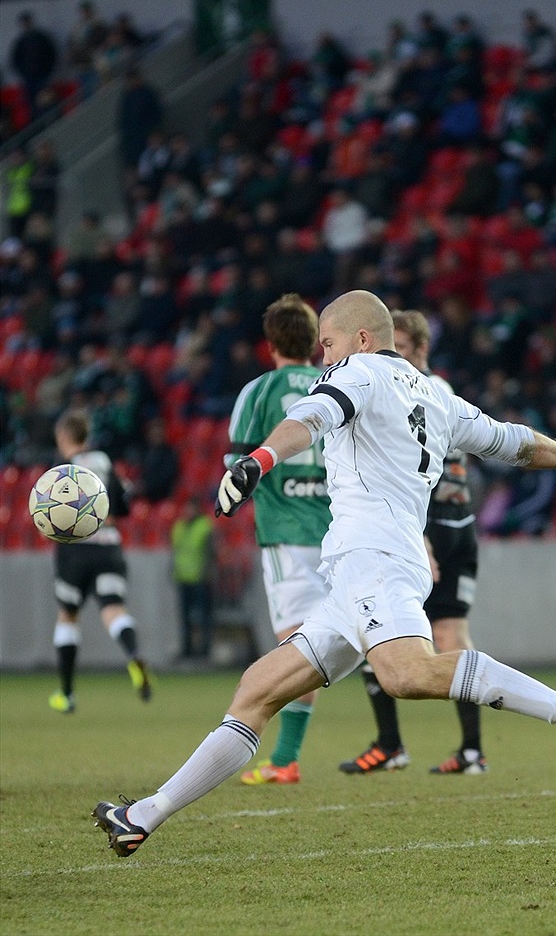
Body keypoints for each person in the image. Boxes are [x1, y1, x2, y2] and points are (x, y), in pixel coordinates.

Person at [92, 290, 556, 859]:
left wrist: (258, 460)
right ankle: (142, 817)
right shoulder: (437, 395)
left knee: (405, 675)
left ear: (359, 339)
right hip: (361, 573)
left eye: (326, 344)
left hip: (374, 560)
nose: (321, 356)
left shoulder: (358, 371)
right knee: (257, 690)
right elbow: (513, 442)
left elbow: (312, 415)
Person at [339, 309, 486, 775]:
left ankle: (391, 743)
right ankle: (470, 751)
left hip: (430, 528)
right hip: (461, 524)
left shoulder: (416, 391)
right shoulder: (446, 393)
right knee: (449, 637)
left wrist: (419, 534)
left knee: (376, 628)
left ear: (420, 349)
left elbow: (411, 474)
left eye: (399, 348)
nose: (390, 357)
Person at [226, 293, 332, 784]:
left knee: (296, 644)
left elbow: (239, 466)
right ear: (315, 341)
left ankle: (285, 758)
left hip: (287, 533)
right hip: (340, 530)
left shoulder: (259, 391)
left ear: (270, 343)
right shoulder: (336, 385)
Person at [49, 409, 152, 713]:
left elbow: (50, 512)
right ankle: (133, 653)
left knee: (68, 616)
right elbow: (123, 507)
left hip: (75, 551)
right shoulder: (105, 463)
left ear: (64, 437)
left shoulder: (62, 468)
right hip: (108, 547)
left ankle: (66, 694)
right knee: (113, 610)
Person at [171, 497, 215, 660]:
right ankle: (187, 649)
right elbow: (176, 551)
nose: (187, 512)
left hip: (201, 579)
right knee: (184, 618)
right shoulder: (179, 526)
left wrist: (209, 574)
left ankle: (204, 651)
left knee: (204, 617)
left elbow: (212, 552)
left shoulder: (205, 526)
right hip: (183, 578)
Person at [10, 11, 57, 119]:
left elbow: (51, 55)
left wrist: (47, 72)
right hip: (28, 79)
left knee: (45, 104)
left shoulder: (41, 38)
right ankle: (36, 128)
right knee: (31, 106)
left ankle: (46, 125)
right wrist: (23, 73)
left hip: (42, 77)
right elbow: (15, 60)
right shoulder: (21, 41)